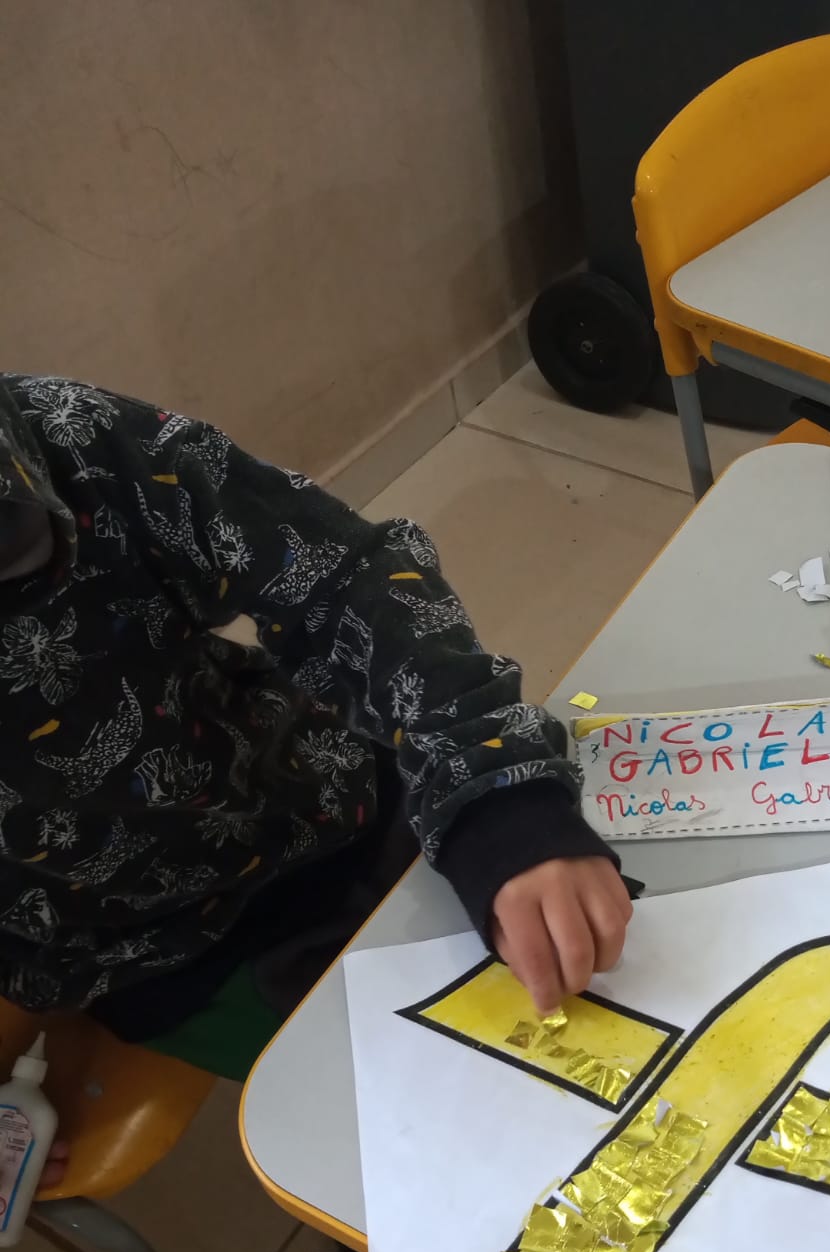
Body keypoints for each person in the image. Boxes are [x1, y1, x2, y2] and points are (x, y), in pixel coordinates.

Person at [0, 373, 631, 1192]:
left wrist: (499, 799)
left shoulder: (69, 439)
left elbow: (342, 576)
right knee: (465, 1151)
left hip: (323, 788)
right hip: (151, 950)